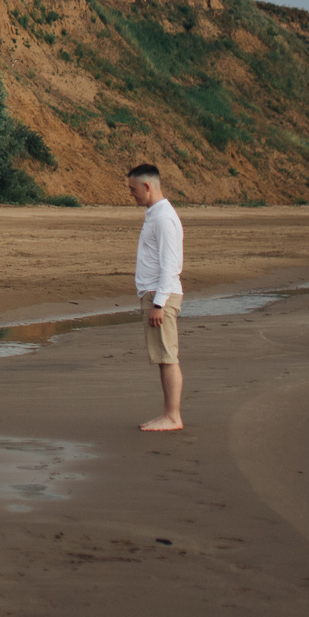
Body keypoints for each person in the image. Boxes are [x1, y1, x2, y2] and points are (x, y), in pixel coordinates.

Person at [128, 163, 184, 431]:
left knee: (167, 356)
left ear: (147, 187)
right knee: (163, 356)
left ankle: (172, 416)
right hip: (156, 294)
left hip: (161, 295)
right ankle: (169, 414)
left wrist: (159, 303)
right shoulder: (155, 214)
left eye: (133, 189)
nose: (131, 194)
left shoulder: (163, 217)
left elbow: (171, 264)